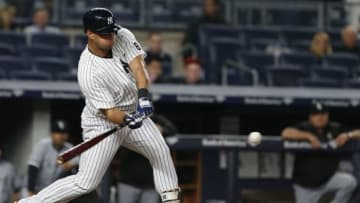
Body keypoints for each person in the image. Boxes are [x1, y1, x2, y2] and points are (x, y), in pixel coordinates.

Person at [17, 7, 180, 203]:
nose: (110, 37)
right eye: (104, 34)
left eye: (111, 31)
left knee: (160, 151)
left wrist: (143, 97)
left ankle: (171, 200)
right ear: (89, 33)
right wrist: (128, 119)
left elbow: (138, 68)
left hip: (133, 111)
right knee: (86, 183)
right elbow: (110, 112)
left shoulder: (122, 35)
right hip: (102, 122)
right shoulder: (88, 71)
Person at [281, 102, 360, 203]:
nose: (320, 117)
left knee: (350, 182)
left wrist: (348, 135)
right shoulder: (304, 127)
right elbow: (285, 133)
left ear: (327, 115)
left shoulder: (335, 128)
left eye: (323, 114)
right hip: (306, 186)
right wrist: (309, 137)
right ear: (310, 117)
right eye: (316, 114)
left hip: (328, 180)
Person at [26, 120, 79, 196]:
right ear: (51, 134)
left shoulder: (69, 148)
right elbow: (33, 166)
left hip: (53, 192)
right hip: (36, 189)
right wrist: (30, 190)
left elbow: (79, 162)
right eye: (58, 133)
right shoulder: (43, 144)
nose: (61, 136)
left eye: (64, 133)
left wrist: (73, 164)